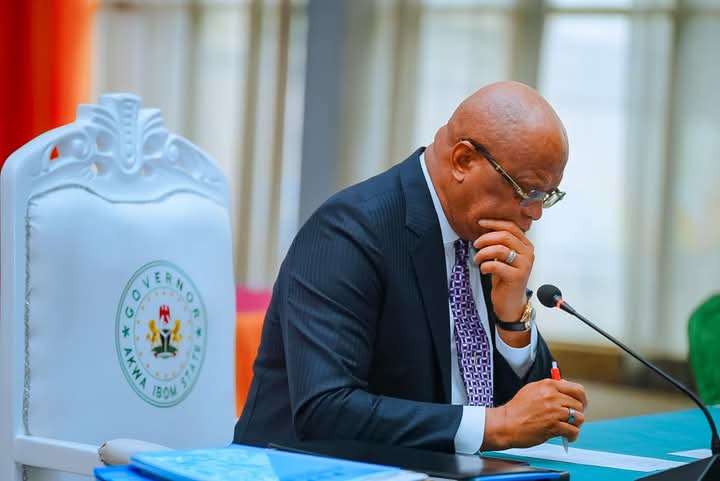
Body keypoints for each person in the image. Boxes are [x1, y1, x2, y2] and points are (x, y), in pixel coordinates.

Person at [234, 81, 588, 454]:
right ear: (463, 160)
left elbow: (527, 414)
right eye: (528, 191)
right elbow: (325, 410)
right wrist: (495, 425)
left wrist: (513, 316)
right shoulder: (349, 231)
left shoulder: (487, 237)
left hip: (439, 469)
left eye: (547, 196)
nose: (535, 213)